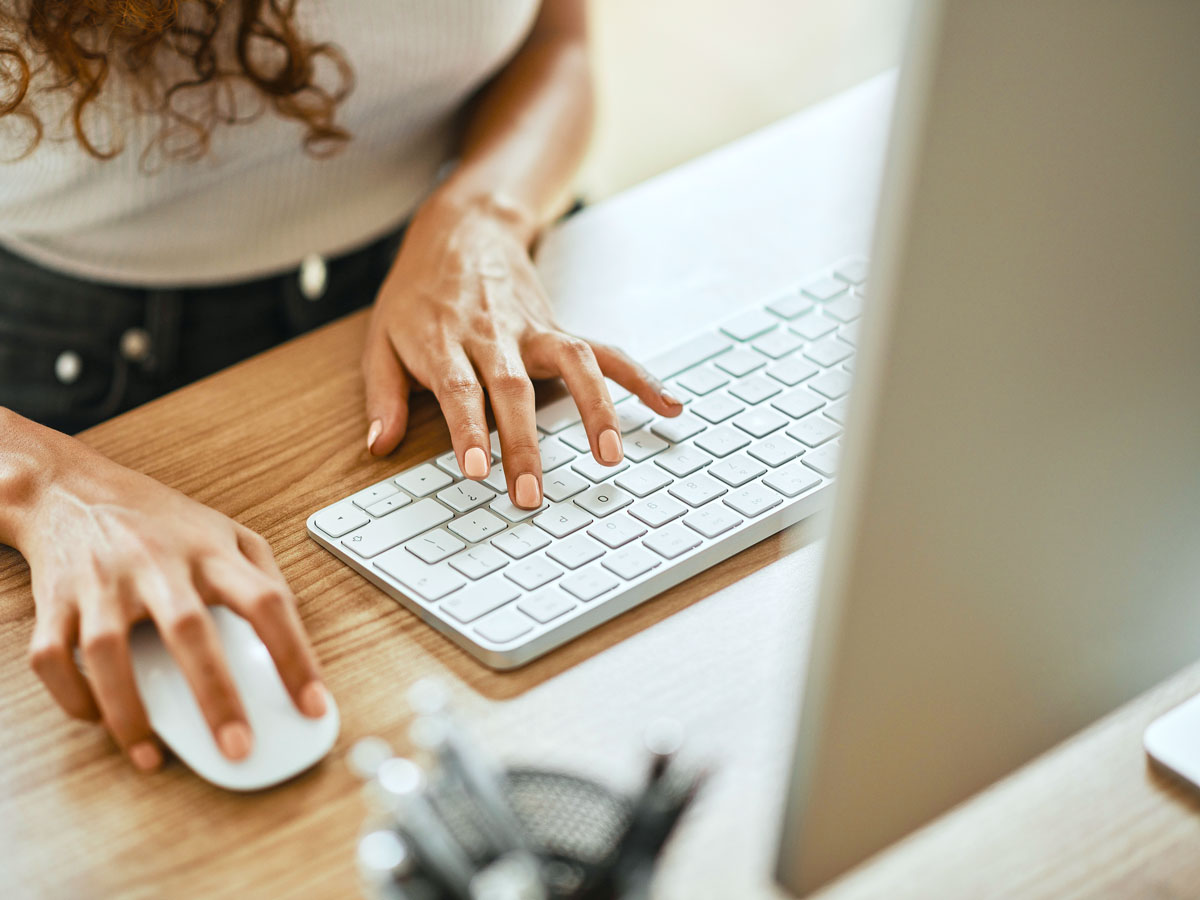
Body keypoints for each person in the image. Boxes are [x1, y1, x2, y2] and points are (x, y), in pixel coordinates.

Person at [0, 0, 682, 773]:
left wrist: (484, 215)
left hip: (469, 258)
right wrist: (42, 482)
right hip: (77, 367)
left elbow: (558, 39)